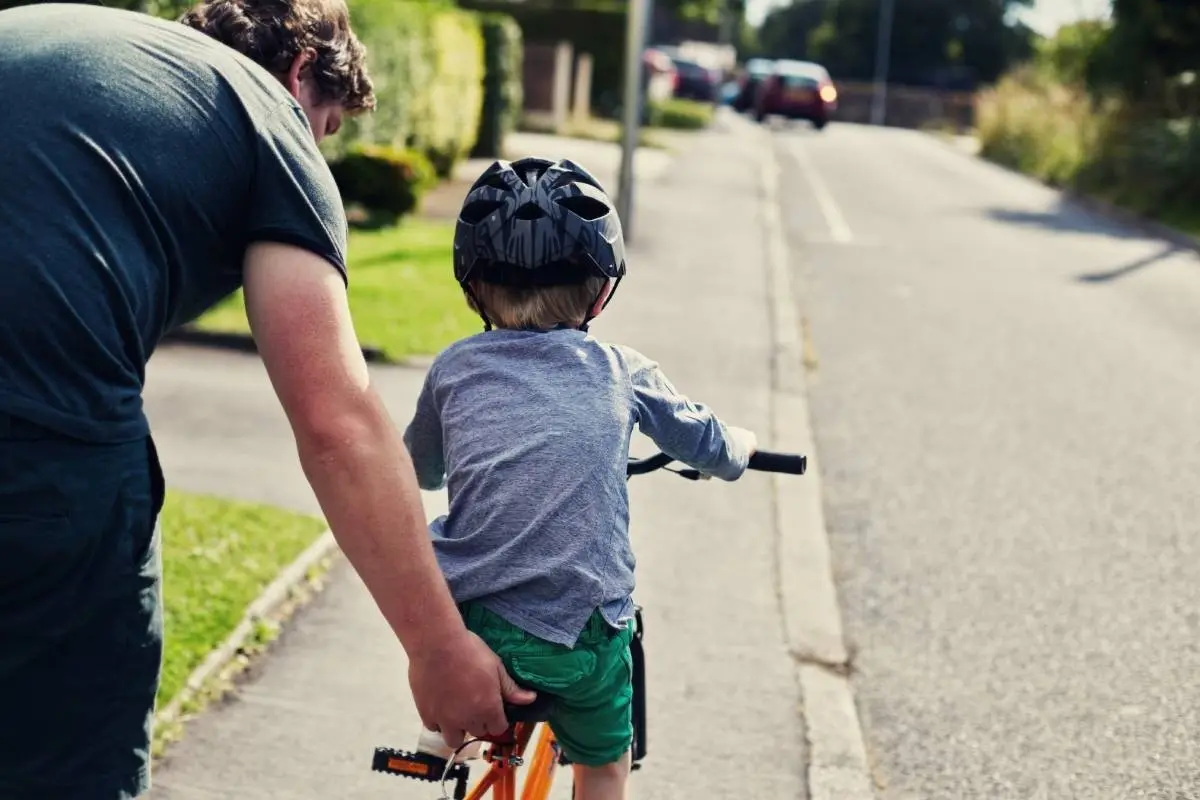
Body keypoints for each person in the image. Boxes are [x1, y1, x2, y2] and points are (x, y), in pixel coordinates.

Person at [0, 2, 531, 797]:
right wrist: (439, 647)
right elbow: (336, 422)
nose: (318, 151)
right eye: (327, 126)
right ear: (300, 73)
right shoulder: (266, 118)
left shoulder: (77, 43)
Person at [402, 156, 759, 799]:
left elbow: (421, 470)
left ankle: (442, 732)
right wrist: (741, 447)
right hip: (581, 642)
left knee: (443, 581)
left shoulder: (453, 370)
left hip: (474, 631)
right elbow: (707, 443)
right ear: (601, 290)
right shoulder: (623, 371)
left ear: (472, 286)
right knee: (603, 765)